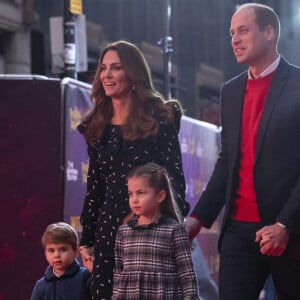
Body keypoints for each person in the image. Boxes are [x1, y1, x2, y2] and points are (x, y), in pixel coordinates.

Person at [185, 3, 300, 300]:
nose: (234, 39)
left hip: (288, 231)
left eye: (243, 31)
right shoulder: (231, 91)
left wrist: (285, 223)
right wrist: (197, 219)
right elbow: (228, 162)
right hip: (237, 231)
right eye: (231, 33)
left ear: (269, 32)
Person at [78, 40, 190, 299]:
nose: (106, 74)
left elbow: (174, 180)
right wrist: (88, 239)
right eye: (103, 68)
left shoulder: (160, 118)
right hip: (108, 232)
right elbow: (95, 186)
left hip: (150, 231)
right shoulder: (96, 126)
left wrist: (171, 229)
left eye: (115, 68)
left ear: (133, 74)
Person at [112, 162, 199, 299]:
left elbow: (186, 273)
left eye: (140, 193)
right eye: (130, 194)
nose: (134, 200)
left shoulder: (174, 230)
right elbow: (118, 272)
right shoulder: (124, 231)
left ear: (160, 196)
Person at [30, 222, 91, 300]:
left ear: (75, 251)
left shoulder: (86, 276)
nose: (57, 255)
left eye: (63, 249)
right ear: (45, 254)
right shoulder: (40, 285)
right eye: (51, 250)